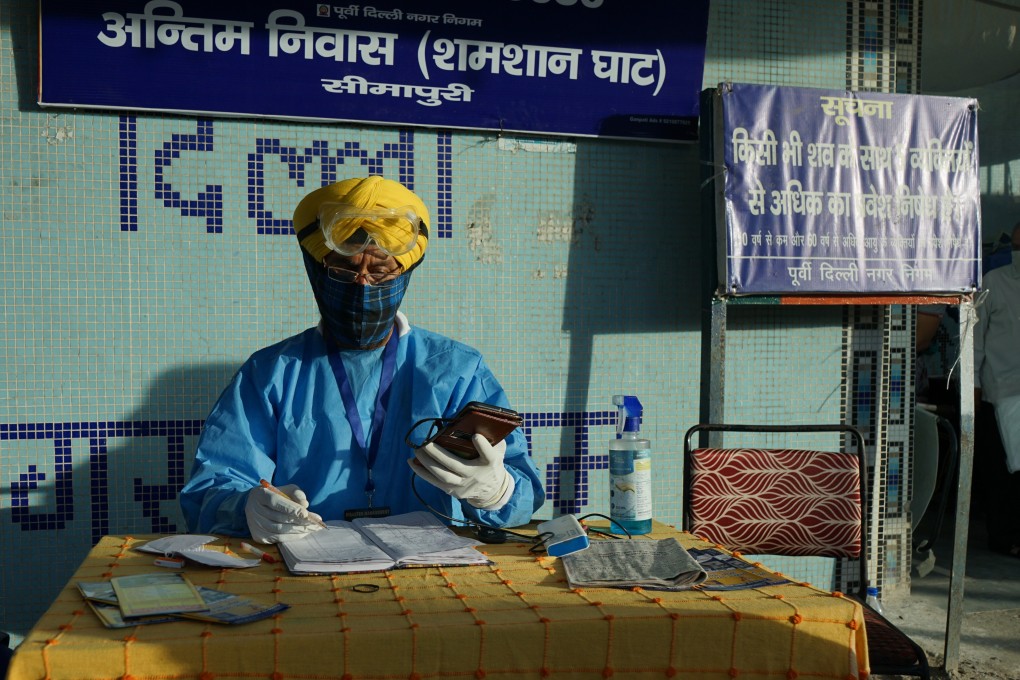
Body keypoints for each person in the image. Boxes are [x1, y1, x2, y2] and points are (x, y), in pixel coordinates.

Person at [179, 176, 544, 543]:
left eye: (380, 271)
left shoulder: (457, 370)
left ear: (404, 274)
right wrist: (245, 509)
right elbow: (210, 491)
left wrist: (497, 492)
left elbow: (524, 493)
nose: (363, 285)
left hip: (428, 567)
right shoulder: (270, 374)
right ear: (316, 271)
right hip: (308, 564)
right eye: (344, 270)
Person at [973, 222, 1020, 557]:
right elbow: (974, 340)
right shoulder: (994, 282)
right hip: (999, 391)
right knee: (1001, 473)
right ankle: (1004, 538)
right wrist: (973, 388)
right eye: (1016, 247)